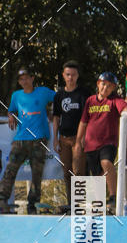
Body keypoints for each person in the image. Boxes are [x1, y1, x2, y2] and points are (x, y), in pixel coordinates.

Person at [0, 68, 55, 214]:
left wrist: (54, 114)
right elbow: (11, 110)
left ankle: (33, 205)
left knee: (37, 174)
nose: (24, 81)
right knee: (10, 170)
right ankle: (2, 201)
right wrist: (11, 115)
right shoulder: (16, 95)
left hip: (39, 139)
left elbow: (60, 98)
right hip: (20, 140)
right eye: (21, 79)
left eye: (26, 78)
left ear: (32, 78)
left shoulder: (43, 92)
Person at [75, 72, 127, 213]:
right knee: (97, 175)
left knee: (106, 163)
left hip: (108, 142)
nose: (105, 88)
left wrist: (126, 112)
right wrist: (78, 140)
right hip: (90, 144)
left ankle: (113, 196)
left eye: (109, 86)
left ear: (113, 89)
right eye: (103, 84)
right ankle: (100, 204)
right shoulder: (90, 101)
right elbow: (83, 122)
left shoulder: (114, 100)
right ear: (98, 84)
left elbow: (125, 109)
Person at [52, 61, 89, 211]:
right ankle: (71, 203)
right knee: (67, 171)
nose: (70, 77)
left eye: (73, 75)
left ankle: (80, 203)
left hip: (78, 139)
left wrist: (83, 138)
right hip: (63, 138)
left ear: (77, 75)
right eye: (68, 74)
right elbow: (56, 117)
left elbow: (87, 117)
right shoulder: (59, 95)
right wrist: (55, 138)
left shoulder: (84, 93)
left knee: (79, 170)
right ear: (63, 75)